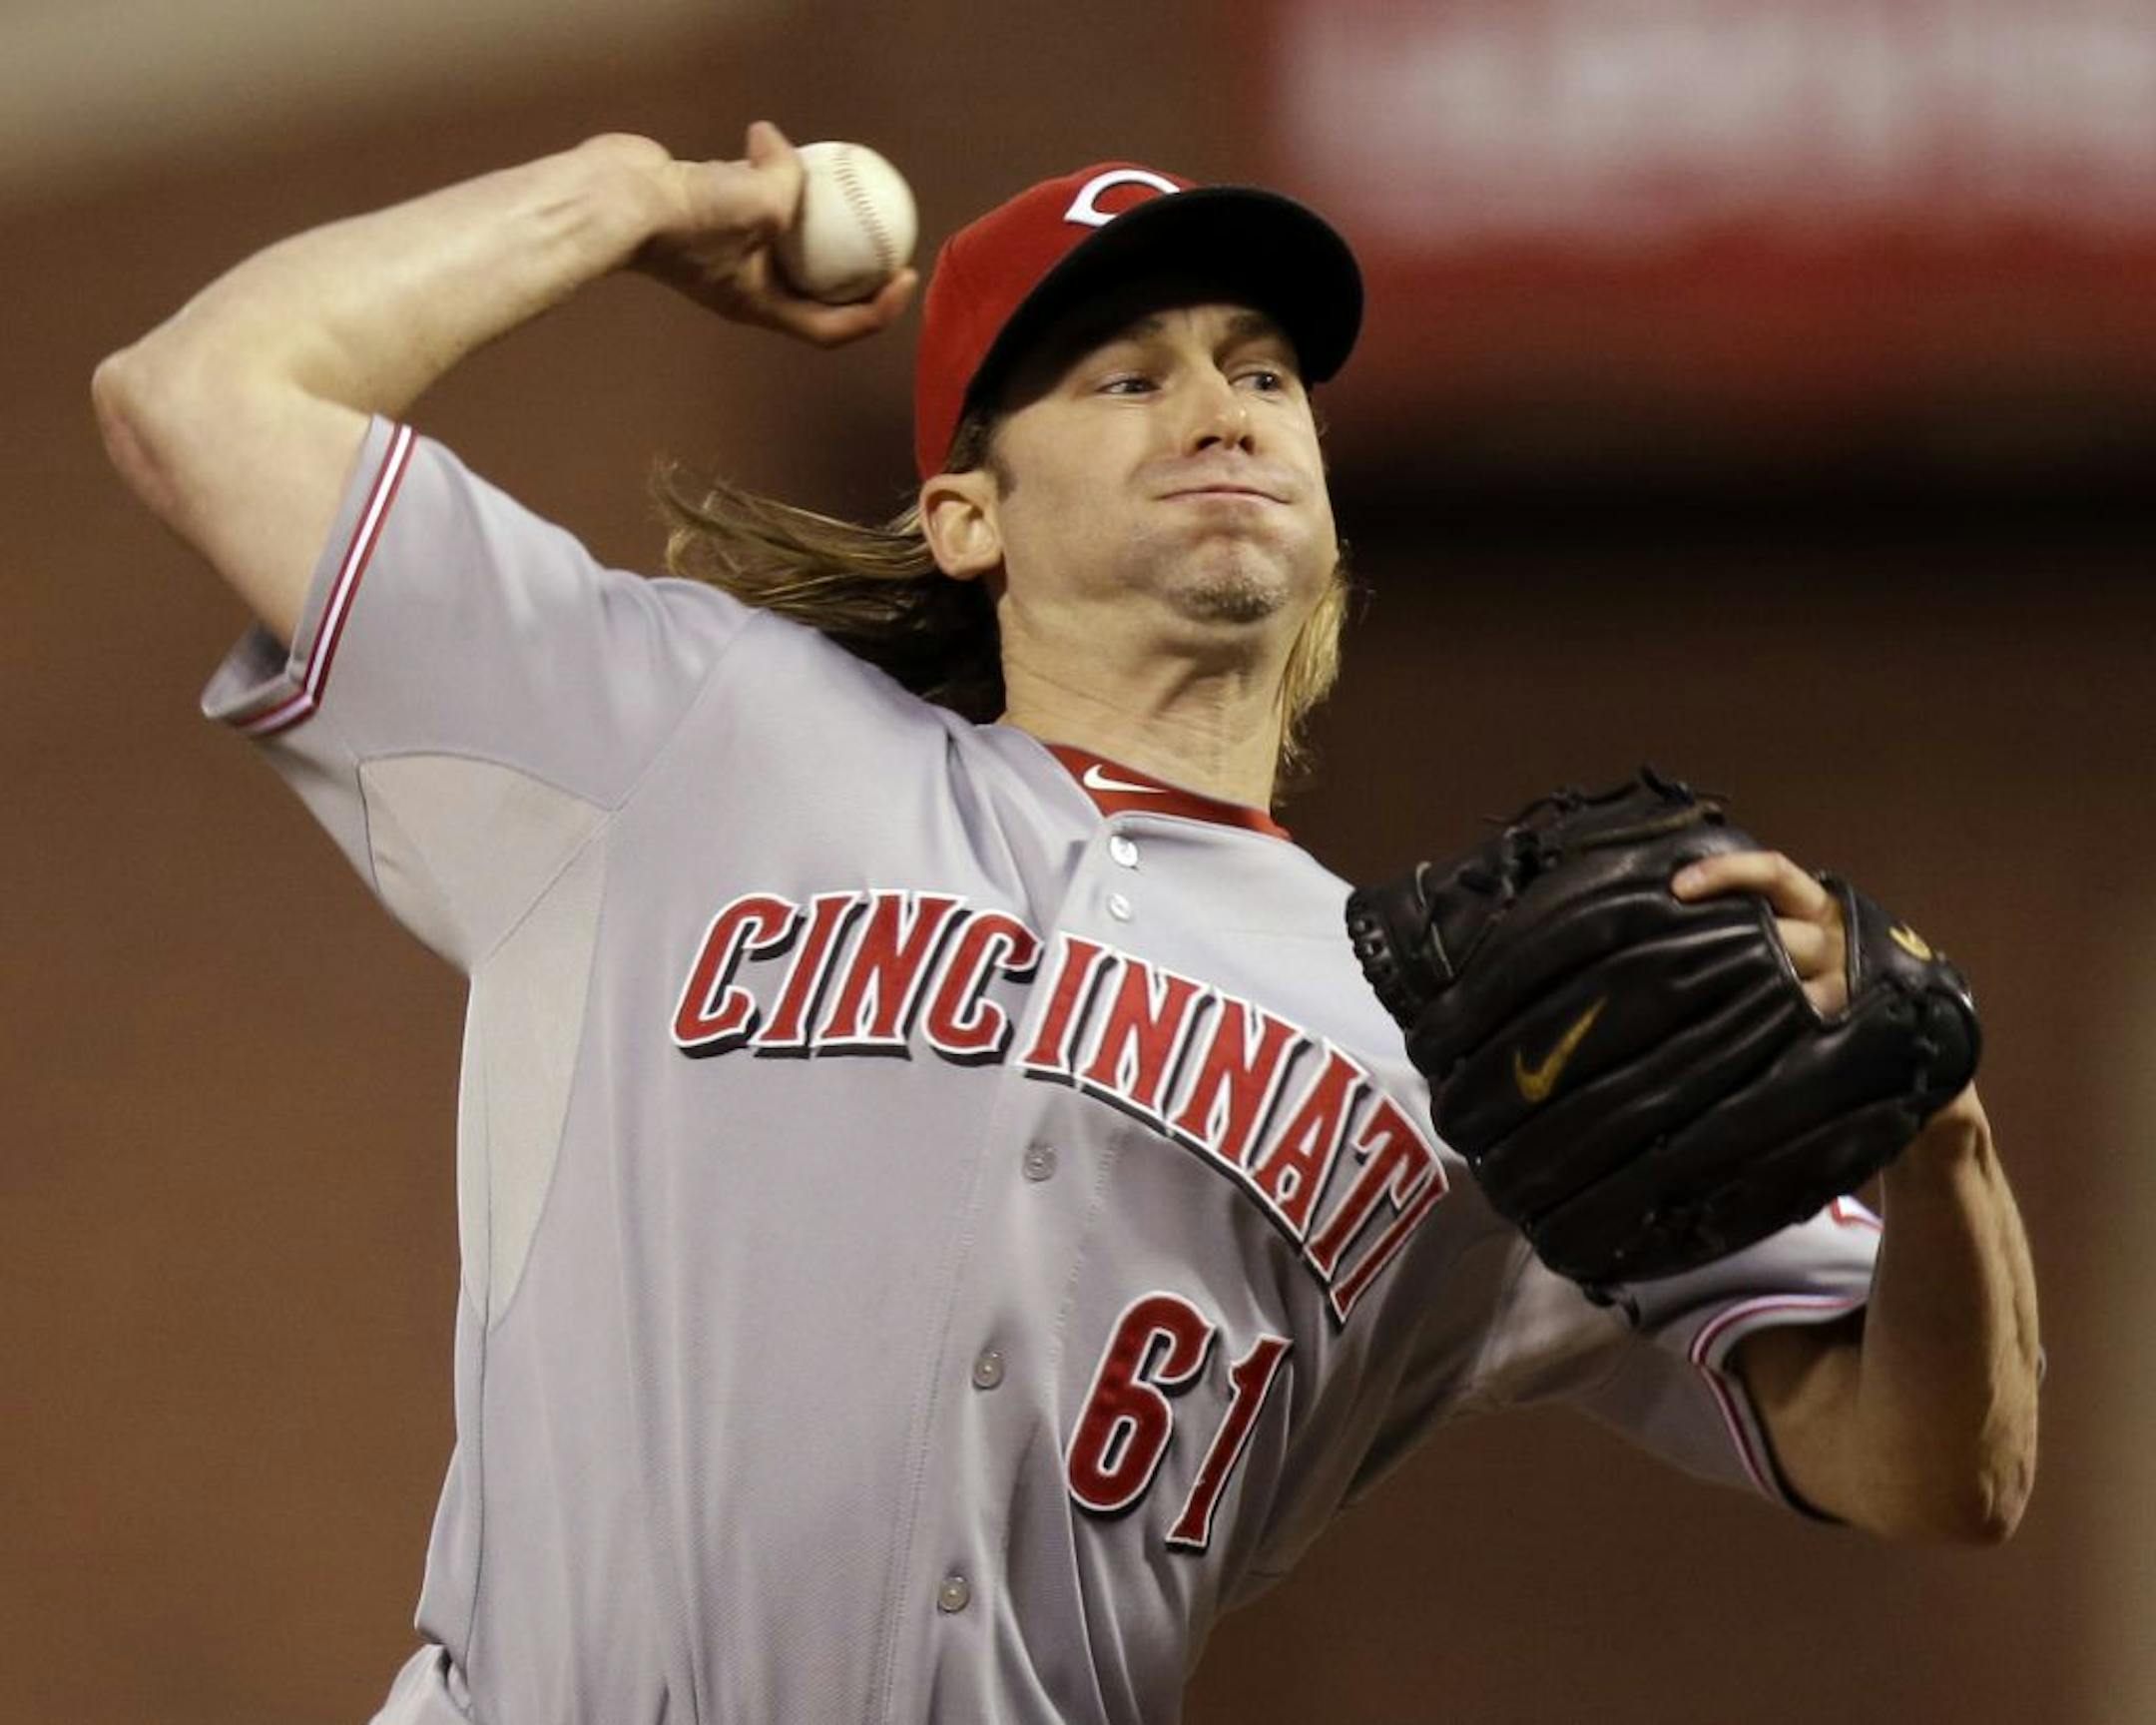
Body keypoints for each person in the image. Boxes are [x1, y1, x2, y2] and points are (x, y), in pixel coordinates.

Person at [93, 123, 2040, 1725]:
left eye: (1264, 372)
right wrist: (623, 199)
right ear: (967, 517)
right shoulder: (700, 735)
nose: (1222, 405)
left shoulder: (1461, 1033)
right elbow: (195, 397)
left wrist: (1939, 1138)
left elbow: (1943, 1469)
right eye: (1125, 373)